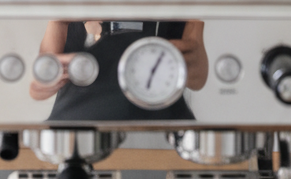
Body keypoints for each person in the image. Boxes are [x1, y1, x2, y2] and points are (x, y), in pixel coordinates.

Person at [29, 18, 208, 122]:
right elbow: (37, 88)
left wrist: (179, 62)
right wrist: (49, 79)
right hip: (77, 119)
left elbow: (198, 78)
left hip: (158, 119)